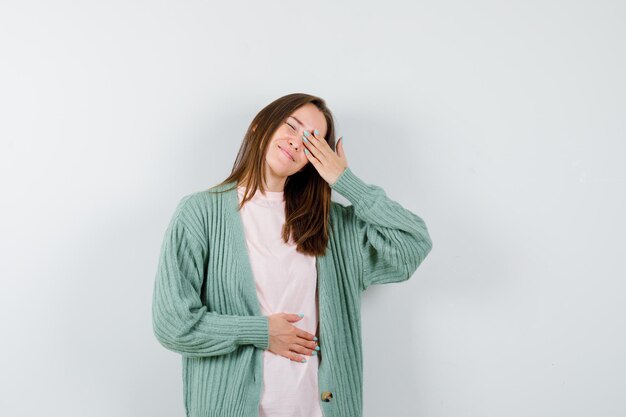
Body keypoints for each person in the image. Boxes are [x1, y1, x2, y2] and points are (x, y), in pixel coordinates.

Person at [151, 93, 433, 417]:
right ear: (260, 126)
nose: (296, 142)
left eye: (311, 140)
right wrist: (261, 332)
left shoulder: (331, 227)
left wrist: (346, 182)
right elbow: (173, 323)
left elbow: (413, 243)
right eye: (291, 126)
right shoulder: (200, 213)